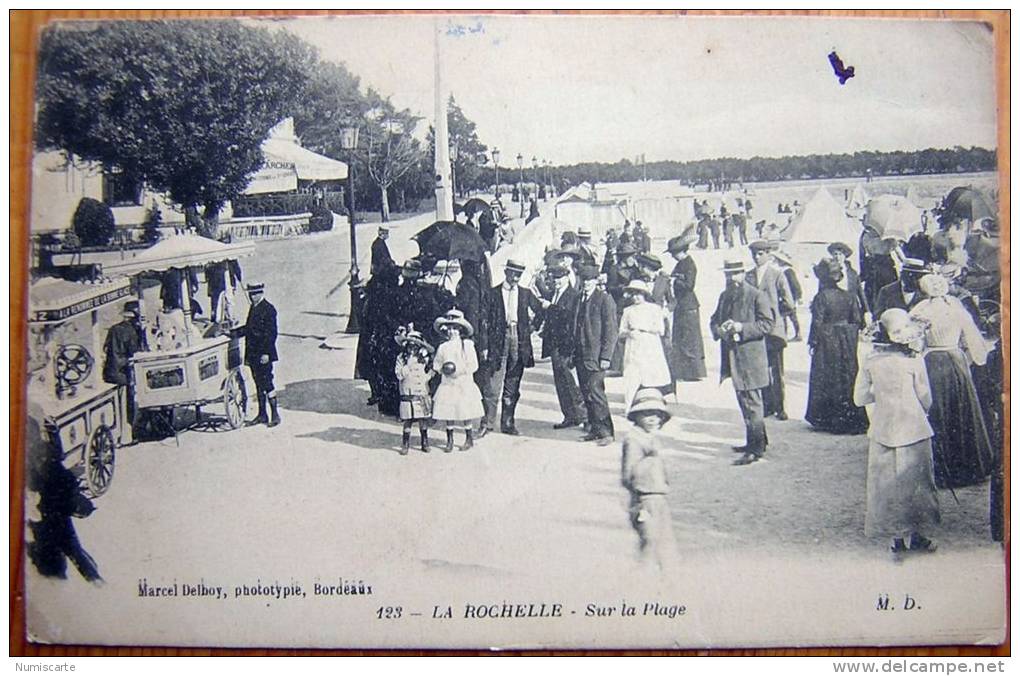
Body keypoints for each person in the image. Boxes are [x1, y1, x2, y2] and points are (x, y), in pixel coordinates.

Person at [854, 309, 940, 557]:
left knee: (888, 484)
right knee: (915, 483)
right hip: (913, 427)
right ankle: (917, 535)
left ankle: (896, 538)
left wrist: (881, 394)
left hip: (884, 428)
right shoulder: (914, 361)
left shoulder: (872, 361)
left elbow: (859, 398)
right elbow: (926, 398)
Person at [909, 274, 994, 489]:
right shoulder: (948, 307)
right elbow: (972, 338)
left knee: (940, 409)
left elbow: (913, 341)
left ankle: (944, 468)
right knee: (956, 409)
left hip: (936, 361)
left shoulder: (925, 309)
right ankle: (963, 467)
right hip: (951, 360)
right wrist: (976, 358)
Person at [710, 259, 773, 466]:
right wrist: (719, 330)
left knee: (752, 404)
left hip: (751, 358)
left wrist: (740, 327)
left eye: (735, 273)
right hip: (733, 357)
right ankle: (756, 441)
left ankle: (756, 449)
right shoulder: (724, 296)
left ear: (743, 274)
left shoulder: (756, 296)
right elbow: (714, 320)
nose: (731, 278)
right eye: (728, 274)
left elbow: (767, 324)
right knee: (745, 402)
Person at [804, 259, 868, 434]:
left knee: (826, 376)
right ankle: (850, 418)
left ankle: (826, 418)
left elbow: (817, 323)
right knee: (846, 376)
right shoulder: (849, 296)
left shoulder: (821, 297)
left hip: (827, 341)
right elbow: (857, 320)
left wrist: (813, 342)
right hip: (846, 341)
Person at [481, 259, 544, 436]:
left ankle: (508, 423)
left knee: (513, 384)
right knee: (493, 384)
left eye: (519, 275)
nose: (516, 278)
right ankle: (488, 423)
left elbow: (540, 311)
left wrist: (532, 328)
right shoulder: (493, 293)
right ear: (506, 273)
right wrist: (485, 345)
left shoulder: (525, 293)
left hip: (519, 339)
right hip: (498, 340)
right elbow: (483, 321)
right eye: (513, 274)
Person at [620, 388, 679, 574]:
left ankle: (667, 577)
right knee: (650, 540)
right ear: (636, 416)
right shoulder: (634, 440)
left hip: (658, 496)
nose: (653, 419)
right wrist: (650, 458)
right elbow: (629, 472)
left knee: (665, 540)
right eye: (647, 414)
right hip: (644, 498)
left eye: (657, 414)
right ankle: (643, 578)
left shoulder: (650, 438)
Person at [747, 240, 794, 420]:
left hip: (774, 330)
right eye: (754, 254)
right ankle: (767, 405)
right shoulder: (749, 276)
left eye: (760, 254)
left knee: (777, 370)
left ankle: (780, 407)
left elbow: (789, 302)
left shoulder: (777, 275)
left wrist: (775, 315)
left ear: (768, 254)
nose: (757, 257)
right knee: (761, 369)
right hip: (757, 329)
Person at [573, 264, 619, 445]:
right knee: (586, 392)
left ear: (596, 281)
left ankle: (607, 432)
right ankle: (594, 428)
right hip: (580, 355)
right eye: (583, 279)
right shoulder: (578, 299)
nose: (586, 283)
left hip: (596, 356)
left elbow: (611, 330)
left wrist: (606, 356)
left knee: (596, 391)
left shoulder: (604, 299)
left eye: (589, 280)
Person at [431, 310, 485, 452]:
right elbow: (436, 363)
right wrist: (443, 369)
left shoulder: (466, 345)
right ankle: (450, 439)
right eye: (449, 328)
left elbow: (473, 365)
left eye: (455, 328)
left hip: (463, 382)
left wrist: (458, 370)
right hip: (448, 383)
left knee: (464, 410)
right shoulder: (443, 347)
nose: (451, 331)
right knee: (449, 411)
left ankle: (469, 438)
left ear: (460, 330)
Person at [540, 266, 586, 429]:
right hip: (555, 344)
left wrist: (550, 307)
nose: (556, 282)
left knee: (569, 381)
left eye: (559, 278)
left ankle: (583, 416)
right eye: (554, 279)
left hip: (565, 345)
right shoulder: (556, 293)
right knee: (560, 381)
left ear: (567, 277)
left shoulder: (573, 295)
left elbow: (568, 316)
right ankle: (569, 416)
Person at [618, 280, 672, 412]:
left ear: (645, 295)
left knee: (650, 376)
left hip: (649, 346)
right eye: (633, 294)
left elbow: (660, 329)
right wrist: (630, 333)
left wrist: (642, 328)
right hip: (633, 346)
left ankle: (652, 406)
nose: (636, 297)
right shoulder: (628, 311)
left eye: (639, 294)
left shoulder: (654, 309)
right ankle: (629, 406)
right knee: (632, 376)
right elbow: (621, 332)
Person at [102, 300, 146, 440]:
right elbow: (135, 353)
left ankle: (115, 430)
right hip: (123, 373)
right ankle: (127, 433)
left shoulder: (114, 329)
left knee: (115, 404)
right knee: (128, 403)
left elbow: (105, 348)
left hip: (109, 371)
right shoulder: (131, 332)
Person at [667, 230, 706, 381]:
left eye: (674, 253)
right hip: (683, 305)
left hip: (688, 305)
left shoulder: (689, 264)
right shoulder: (682, 263)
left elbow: (689, 285)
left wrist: (674, 281)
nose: (672, 256)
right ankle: (684, 371)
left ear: (681, 251)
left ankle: (692, 373)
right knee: (682, 337)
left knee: (688, 338)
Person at [243, 281, 280, 427]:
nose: (253, 297)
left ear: (261, 293)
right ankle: (262, 414)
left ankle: (275, 415)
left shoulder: (268, 309)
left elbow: (271, 334)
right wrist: (232, 333)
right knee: (258, 384)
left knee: (267, 383)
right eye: (251, 294)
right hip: (253, 354)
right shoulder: (253, 308)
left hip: (263, 354)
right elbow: (249, 329)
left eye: (255, 294)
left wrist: (266, 353)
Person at [394, 328, 435, 455]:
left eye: (416, 346)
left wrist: (429, 375)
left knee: (423, 420)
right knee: (408, 420)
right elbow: (399, 375)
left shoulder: (423, 359)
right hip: (408, 393)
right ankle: (405, 443)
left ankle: (424, 442)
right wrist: (408, 365)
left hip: (421, 393)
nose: (412, 349)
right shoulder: (401, 358)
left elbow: (426, 375)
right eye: (410, 345)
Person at [828, 241, 869, 319]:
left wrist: (867, 311)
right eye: (835, 254)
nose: (837, 257)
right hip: (834, 309)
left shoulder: (852, 273)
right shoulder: (827, 273)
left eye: (840, 254)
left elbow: (860, 293)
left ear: (845, 256)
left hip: (851, 309)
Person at [773, 251, 803, 342]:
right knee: (789, 316)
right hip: (786, 296)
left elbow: (795, 284)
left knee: (786, 315)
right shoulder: (784, 271)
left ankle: (789, 334)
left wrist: (798, 296)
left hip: (789, 297)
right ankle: (793, 334)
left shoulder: (788, 271)